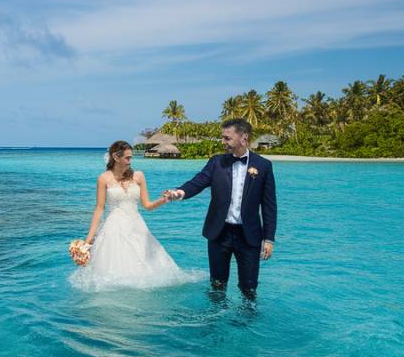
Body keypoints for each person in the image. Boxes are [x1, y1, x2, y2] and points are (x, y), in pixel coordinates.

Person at [161, 119, 277, 299]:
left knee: (249, 288)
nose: (223, 142)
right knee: (217, 284)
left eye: (227, 138)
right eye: (223, 138)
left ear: (243, 138)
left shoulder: (263, 165)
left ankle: (246, 323)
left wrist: (269, 238)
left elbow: (269, 205)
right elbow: (197, 182)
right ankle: (215, 322)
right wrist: (179, 192)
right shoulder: (216, 162)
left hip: (249, 236)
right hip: (219, 233)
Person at [71, 140, 197, 291]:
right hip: (114, 228)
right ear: (116, 157)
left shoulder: (139, 176)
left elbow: (147, 206)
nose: (131, 161)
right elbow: (99, 209)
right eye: (128, 158)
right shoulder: (103, 178)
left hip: (137, 225)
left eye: (131, 158)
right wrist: (89, 239)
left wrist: (165, 199)